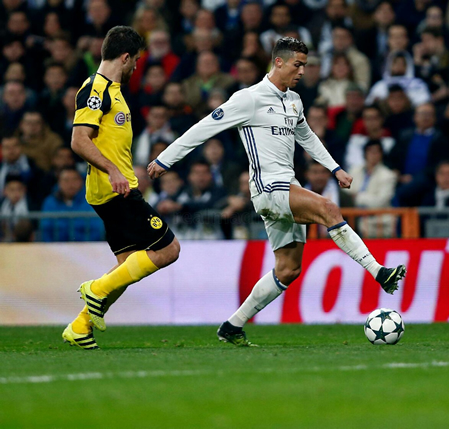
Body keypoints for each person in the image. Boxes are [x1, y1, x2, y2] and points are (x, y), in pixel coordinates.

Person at [148, 37, 406, 346]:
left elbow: (307, 137)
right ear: (279, 62)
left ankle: (232, 326)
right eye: (297, 65)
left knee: (288, 269)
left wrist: (335, 168)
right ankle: (379, 272)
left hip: (287, 187)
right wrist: (165, 159)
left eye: (305, 66)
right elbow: (203, 128)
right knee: (328, 209)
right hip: (268, 188)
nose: (301, 71)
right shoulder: (249, 98)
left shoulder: (294, 100)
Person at [62, 26, 180, 350]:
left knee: (128, 266)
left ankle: (80, 326)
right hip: (115, 188)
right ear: (125, 57)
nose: (136, 67)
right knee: (169, 249)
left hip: (113, 186)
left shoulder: (111, 90)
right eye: (136, 61)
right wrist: (113, 170)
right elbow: (78, 140)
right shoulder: (95, 90)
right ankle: (96, 289)